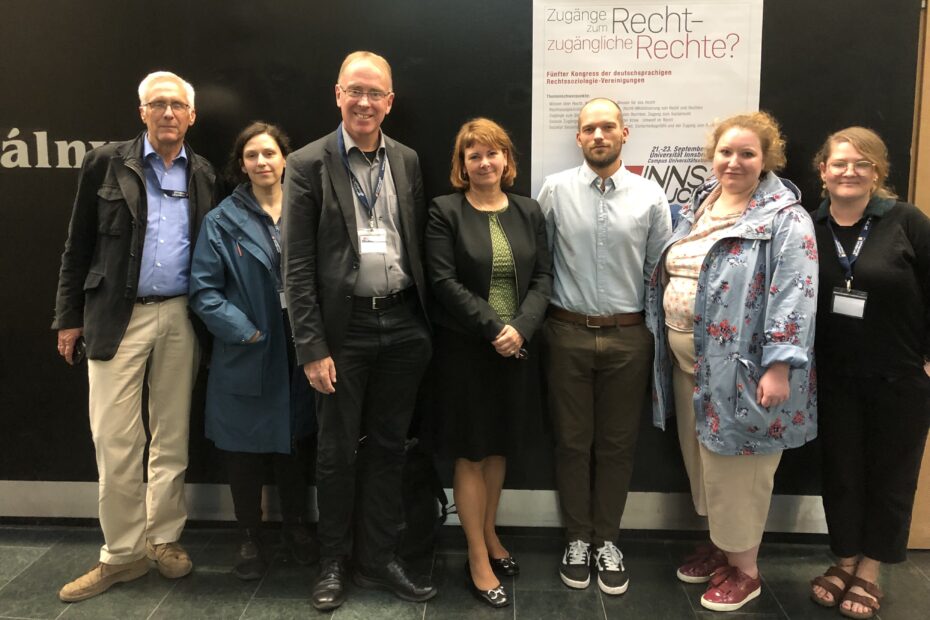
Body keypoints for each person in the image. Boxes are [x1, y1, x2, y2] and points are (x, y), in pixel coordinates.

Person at [52, 71, 219, 602]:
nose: (168, 113)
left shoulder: (204, 173)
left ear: (192, 116)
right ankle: (121, 554)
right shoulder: (106, 162)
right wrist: (68, 316)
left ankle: (163, 540)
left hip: (180, 316)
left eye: (177, 105)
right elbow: (76, 245)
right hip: (115, 315)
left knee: (171, 435)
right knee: (116, 438)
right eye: (158, 104)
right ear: (141, 112)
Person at [281, 51, 436, 611]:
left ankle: (378, 557)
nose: (365, 102)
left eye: (376, 94)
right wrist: (312, 347)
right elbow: (295, 266)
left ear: (390, 102)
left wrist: (422, 325)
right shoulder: (306, 163)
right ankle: (332, 562)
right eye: (355, 91)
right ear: (337, 94)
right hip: (341, 334)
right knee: (335, 452)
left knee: (390, 449)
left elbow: (412, 241)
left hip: (401, 325)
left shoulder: (408, 161)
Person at [645, 111, 818, 612]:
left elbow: (795, 293)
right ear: (712, 155)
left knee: (741, 470)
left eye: (747, 153)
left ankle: (747, 570)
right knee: (708, 466)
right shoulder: (703, 206)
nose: (734, 161)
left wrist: (780, 365)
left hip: (747, 373)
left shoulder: (785, 218)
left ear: (766, 160)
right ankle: (725, 548)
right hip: (692, 370)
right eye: (726, 152)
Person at [537, 98, 672, 595]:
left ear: (624, 133)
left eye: (607, 126)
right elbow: (542, 262)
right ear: (578, 138)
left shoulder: (651, 197)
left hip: (628, 337)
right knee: (572, 443)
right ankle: (577, 539)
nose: (598, 134)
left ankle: (607, 541)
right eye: (589, 128)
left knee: (617, 445)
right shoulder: (554, 191)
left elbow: (659, 270)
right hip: (566, 333)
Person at [426, 118, 552, 608]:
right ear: (462, 164)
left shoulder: (529, 210)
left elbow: (544, 276)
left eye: (492, 154)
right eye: (473, 155)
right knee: (471, 452)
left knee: (500, 448)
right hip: (465, 351)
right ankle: (476, 554)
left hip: (517, 347)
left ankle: (492, 533)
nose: (484, 162)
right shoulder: (444, 211)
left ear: (507, 160)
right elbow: (442, 281)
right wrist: (493, 328)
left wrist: (520, 327)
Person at [808, 127, 930, 619]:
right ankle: (843, 560)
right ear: (823, 171)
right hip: (833, 375)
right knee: (840, 473)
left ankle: (871, 570)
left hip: (900, 376)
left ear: (877, 173)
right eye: (840, 163)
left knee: (891, 476)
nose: (850, 172)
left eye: (862, 164)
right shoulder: (809, 226)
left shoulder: (906, 221)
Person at [189, 122, 317, 581]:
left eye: (269, 153)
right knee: (243, 451)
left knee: (295, 445)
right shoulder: (222, 219)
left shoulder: (308, 210)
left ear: (286, 158)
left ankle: (297, 529)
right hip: (249, 347)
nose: (262, 162)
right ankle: (249, 535)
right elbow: (203, 291)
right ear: (240, 165)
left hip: (299, 343)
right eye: (251, 156)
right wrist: (244, 331)